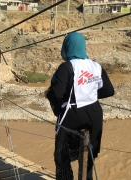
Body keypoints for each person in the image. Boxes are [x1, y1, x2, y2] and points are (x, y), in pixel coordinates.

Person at [45, 32, 114, 180]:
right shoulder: (96, 66)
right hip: (94, 114)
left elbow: (56, 94)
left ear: (67, 46)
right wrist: (89, 94)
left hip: (73, 114)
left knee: (62, 156)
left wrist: (47, 94)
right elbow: (109, 90)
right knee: (89, 155)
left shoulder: (67, 67)